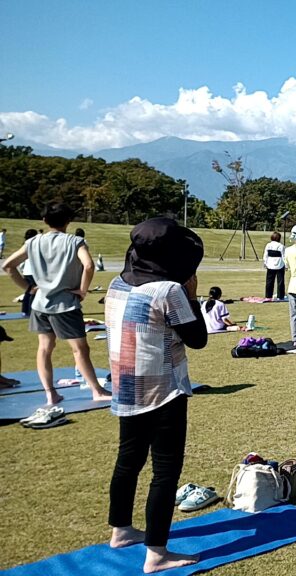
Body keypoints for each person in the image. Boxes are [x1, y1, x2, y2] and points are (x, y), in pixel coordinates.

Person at [104, 217, 208, 573]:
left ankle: (120, 530)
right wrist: (193, 297)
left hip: (126, 386)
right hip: (163, 391)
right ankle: (157, 553)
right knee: (165, 471)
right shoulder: (168, 291)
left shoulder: (116, 284)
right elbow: (197, 339)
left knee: (128, 461)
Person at [1, 204, 110, 407]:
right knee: (79, 349)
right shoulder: (75, 241)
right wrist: (83, 290)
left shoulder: (33, 242)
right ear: (68, 221)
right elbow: (88, 265)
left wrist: (28, 288)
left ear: (44, 221)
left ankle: (51, 394)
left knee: (44, 348)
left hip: (40, 303)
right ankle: (97, 390)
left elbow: (8, 265)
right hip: (65, 305)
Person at [18, 229, 39, 315]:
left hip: (26, 272)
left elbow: (21, 262)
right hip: (33, 272)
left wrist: (22, 270)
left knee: (28, 291)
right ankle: (31, 311)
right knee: (34, 292)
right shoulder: (34, 245)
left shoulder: (25, 245)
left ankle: (24, 310)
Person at [262, 232, 286, 300]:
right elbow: (284, 256)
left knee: (269, 281)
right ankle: (280, 296)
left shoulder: (268, 245)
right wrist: (286, 265)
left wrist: (265, 263)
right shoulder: (281, 246)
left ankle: (268, 296)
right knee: (280, 281)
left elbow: (265, 255)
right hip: (280, 265)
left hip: (270, 265)